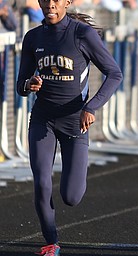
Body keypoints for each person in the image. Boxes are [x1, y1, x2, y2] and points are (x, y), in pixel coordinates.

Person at [16, 0, 123, 255]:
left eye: (55, 0)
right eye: (44, 0)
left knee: (72, 196)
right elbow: (20, 84)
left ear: (67, 2)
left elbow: (115, 73)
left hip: (75, 119)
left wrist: (91, 107)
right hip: (43, 120)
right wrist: (29, 84)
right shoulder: (33, 38)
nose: (49, 5)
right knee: (41, 182)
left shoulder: (81, 34)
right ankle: (51, 242)